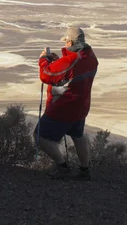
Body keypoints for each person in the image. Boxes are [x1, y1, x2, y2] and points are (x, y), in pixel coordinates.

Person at [35, 24, 98, 180]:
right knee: (78, 135)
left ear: (70, 43)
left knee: (40, 137)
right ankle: (85, 170)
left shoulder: (72, 60)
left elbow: (46, 75)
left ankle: (62, 167)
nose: (64, 44)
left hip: (63, 108)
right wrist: (59, 61)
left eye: (66, 42)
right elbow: (71, 72)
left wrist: (44, 60)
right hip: (81, 107)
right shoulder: (91, 58)